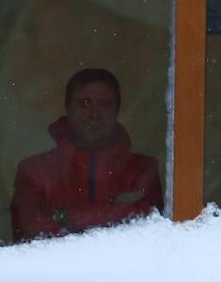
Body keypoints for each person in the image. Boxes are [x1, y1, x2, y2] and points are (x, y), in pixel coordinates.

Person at [11, 68, 162, 241]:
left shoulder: (143, 170)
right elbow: (32, 237)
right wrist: (115, 211)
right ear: (68, 108)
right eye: (85, 104)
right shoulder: (34, 172)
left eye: (105, 104)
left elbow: (148, 234)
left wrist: (67, 216)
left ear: (117, 111)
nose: (94, 114)